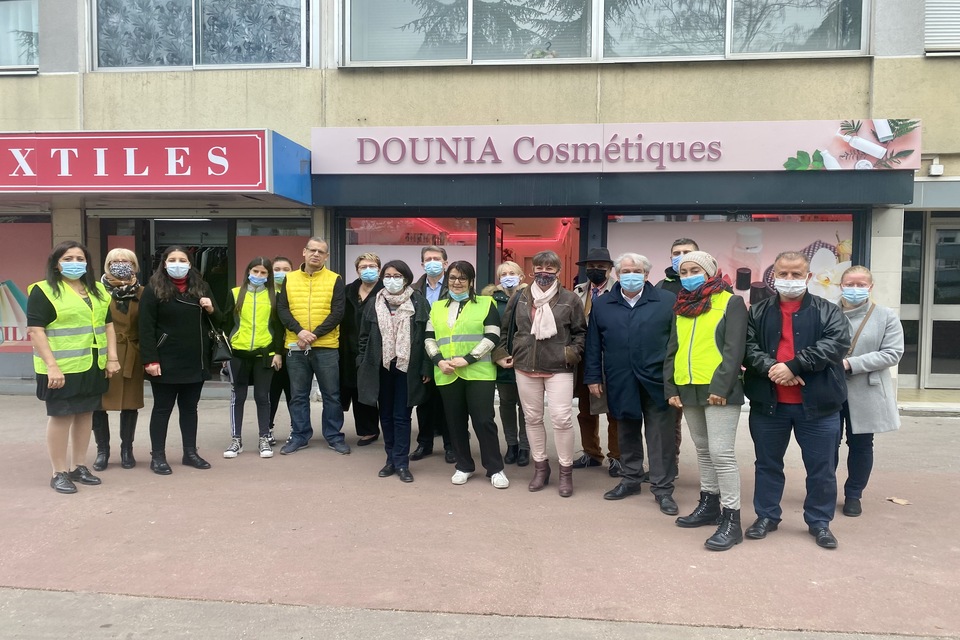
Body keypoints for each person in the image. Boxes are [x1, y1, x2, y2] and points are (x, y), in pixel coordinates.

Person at [743, 251, 850, 550]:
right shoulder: (758, 311)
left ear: (808, 276)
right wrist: (774, 370)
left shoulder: (828, 310)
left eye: (796, 274)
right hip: (769, 403)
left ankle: (819, 522)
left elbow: (837, 343)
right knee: (766, 464)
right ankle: (766, 516)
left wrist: (795, 365)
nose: (789, 280)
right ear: (773, 276)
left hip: (819, 405)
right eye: (783, 274)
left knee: (821, 467)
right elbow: (747, 346)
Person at [584, 253, 680, 515]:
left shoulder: (667, 301)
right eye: (625, 270)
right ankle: (630, 479)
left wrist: (676, 381)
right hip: (620, 378)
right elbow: (593, 344)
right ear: (616, 274)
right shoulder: (603, 304)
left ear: (647, 275)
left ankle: (663, 489)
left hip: (658, 380)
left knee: (661, 437)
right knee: (626, 431)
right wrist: (593, 377)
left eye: (636, 270)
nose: (630, 274)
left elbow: (676, 343)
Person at [664, 251, 747, 551]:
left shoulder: (730, 302)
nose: (688, 275)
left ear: (710, 271)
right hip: (688, 387)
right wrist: (670, 386)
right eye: (683, 271)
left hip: (718, 389)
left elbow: (734, 348)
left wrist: (722, 386)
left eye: (694, 269)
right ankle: (709, 504)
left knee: (721, 453)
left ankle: (732, 518)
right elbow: (673, 349)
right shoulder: (681, 306)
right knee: (702, 449)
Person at [27, 241, 120, 493]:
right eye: (68, 258)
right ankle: (58, 472)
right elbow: (36, 331)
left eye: (80, 258)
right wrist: (51, 366)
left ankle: (79, 466)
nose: (75, 263)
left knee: (85, 415)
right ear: (56, 264)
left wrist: (112, 358)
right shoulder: (43, 290)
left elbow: (108, 326)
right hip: (61, 367)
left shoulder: (98, 290)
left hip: (92, 364)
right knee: (61, 416)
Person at [494, 251, 585, 497]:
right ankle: (540, 468)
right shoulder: (521, 297)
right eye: (539, 267)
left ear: (558, 271)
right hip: (525, 365)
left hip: (558, 367)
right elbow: (507, 329)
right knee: (532, 418)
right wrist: (504, 352)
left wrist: (571, 353)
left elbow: (580, 332)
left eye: (550, 268)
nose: (544, 272)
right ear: (532, 270)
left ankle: (565, 472)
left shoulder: (569, 298)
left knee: (561, 419)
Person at [139, 246, 222, 474]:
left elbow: (221, 319)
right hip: (165, 360)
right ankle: (158, 456)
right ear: (164, 263)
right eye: (172, 259)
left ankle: (190, 453)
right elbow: (145, 328)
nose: (177, 263)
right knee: (162, 409)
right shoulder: (153, 289)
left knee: (189, 409)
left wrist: (211, 308)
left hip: (195, 360)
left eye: (182, 259)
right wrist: (150, 360)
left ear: (190, 263)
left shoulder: (201, 287)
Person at [425, 261, 508, 489]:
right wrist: (438, 361)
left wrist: (468, 358)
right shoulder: (437, 307)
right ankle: (464, 466)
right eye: (452, 277)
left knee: (484, 421)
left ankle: (495, 468)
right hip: (447, 372)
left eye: (462, 278)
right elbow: (429, 338)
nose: (457, 282)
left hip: (478, 372)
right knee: (455, 422)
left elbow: (493, 336)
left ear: (471, 281)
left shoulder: (486, 303)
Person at [836, 265, 904, 518]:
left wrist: (850, 363)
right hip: (830, 389)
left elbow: (892, 353)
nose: (855, 289)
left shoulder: (886, 316)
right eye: (850, 284)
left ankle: (854, 494)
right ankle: (823, 489)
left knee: (861, 444)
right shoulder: (826, 312)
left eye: (861, 284)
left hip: (866, 389)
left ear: (870, 287)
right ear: (840, 285)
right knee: (826, 444)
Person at [357, 260, 432, 483]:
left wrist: (426, 366)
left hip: (407, 368)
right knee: (386, 416)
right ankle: (390, 459)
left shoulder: (418, 302)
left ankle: (401, 463)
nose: (392, 279)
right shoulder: (374, 302)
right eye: (388, 275)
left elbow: (429, 336)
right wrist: (361, 362)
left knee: (402, 416)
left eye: (397, 275)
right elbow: (363, 337)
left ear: (406, 278)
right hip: (380, 367)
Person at [276, 237, 350, 455]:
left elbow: (338, 312)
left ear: (326, 256)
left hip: (326, 346)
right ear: (304, 252)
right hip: (295, 346)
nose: (316, 254)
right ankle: (299, 436)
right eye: (313, 250)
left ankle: (334, 436)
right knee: (298, 395)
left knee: (332, 395)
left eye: (321, 252)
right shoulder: (289, 279)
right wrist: (300, 331)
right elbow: (283, 310)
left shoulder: (334, 279)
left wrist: (313, 334)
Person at [222, 257, 285, 459]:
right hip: (237, 354)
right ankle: (236, 440)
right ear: (248, 271)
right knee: (237, 397)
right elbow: (224, 324)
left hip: (264, 354)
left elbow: (278, 328)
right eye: (255, 271)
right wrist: (225, 352)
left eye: (263, 273)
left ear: (269, 275)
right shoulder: (234, 293)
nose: (258, 276)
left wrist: (278, 353)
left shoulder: (275, 295)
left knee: (262, 397)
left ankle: (264, 438)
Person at [91, 248, 144, 471]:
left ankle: (126, 450)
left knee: (130, 404)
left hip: (132, 352)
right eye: (115, 261)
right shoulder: (94, 291)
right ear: (107, 264)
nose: (120, 264)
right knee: (99, 404)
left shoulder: (143, 292)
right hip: (103, 353)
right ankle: (102, 450)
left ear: (134, 265)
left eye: (126, 261)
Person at [571, 247, 621, 478]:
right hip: (583, 358)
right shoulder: (578, 292)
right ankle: (591, 453)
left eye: (601, 267)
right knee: (585, 409)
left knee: (615, 411)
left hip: (610, 357)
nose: (596, 270)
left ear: (610, 269)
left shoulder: (619, 292)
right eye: (591, 267)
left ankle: (617, 457)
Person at [657, 237, 701, 475]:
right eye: (677, 252)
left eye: (688, 252)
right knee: (668, 421)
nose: (682, 256)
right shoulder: (661, 287)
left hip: (703, 368)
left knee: (704, 427)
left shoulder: (717, 288)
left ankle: (712, 476)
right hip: (672, 366)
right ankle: (668, 466)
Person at [481, 261, 529, 466]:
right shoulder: (490, 300)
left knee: (527, 407)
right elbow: (487, 329)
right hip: (501, 361)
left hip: (527, 361)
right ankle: (512, 444)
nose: (508, 276)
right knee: (507, 405)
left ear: (521, 276)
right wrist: (499, 355)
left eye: (512, 273)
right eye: (504, 274)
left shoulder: (531, 297)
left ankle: (526, 447)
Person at [410, 245, 455, 463]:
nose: (432, 262)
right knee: (424, 402)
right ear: (422, 264)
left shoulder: (456, 285)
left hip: (450, 351)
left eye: (437, 258)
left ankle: (451, 445)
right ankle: (424, 444)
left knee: (449, 403)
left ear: (446, 263)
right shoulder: (413, 290)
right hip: (422, 352)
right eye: (428, 259)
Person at [341, 253, 383, 447]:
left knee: (379, 389)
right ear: (357, 270)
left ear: (379, 269)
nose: (368, 269)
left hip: (376, 347)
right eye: (363, 266)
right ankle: (368, 430)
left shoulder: (385, 291)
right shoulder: (347, 290)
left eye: (372, 266)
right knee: (358, 389)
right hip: (348, 347)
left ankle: (388, 427)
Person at [268, 256, 294, 445]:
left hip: (293, 351)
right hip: (271, 353)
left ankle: (297, 429)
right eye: (277, 269)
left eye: (286, 269)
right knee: (271, 393)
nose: (281, 273)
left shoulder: (295, 292)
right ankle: (267, 428)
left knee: (294, 394)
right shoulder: (265, 293)